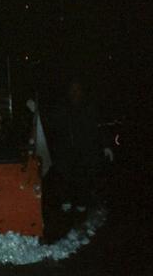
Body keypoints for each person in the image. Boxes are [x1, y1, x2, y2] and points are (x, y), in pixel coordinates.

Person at [47, 80, 113, 216]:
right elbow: (52, 124)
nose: (75, 93)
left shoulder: (89, 107)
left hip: (85, 149)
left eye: (77, 90)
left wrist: (106, 146)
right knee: (65, 176)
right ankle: (66, 202)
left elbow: (99, 127)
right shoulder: (62, 107)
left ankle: (82, 203)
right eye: (72, 90)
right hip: (66, 150)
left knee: (83, 176)